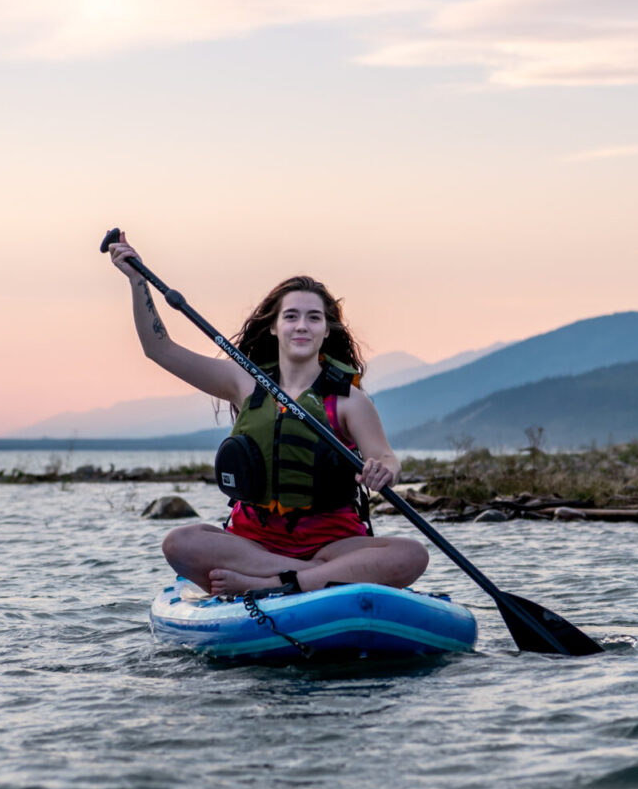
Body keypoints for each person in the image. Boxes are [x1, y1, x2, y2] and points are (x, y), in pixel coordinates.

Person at [106, 232, 429, 597]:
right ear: (274, 327)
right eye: (291, 316)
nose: (302, 325)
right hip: (255, 544)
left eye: (313, 318)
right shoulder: (241, 381)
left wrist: (384, 468)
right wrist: (137, 280)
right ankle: (315, 578)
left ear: (326, 330)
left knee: (412, 554)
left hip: (332, 543)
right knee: (179, 542)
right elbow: (158, 349)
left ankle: (275, 584)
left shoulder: (349, 400)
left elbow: (385, 457)